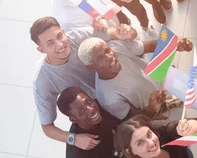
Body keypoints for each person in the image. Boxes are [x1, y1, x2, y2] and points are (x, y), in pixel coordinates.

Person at [31, 16, 136, 148]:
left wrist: (125, 30)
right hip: (98, 105)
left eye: (59, 36)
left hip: (118, 80)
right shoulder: (42, 81)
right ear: (41, 50)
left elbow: (126, 34)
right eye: (50, 43)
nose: (60, 45)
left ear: (63, 32)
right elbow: (47, 128)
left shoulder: (78, 36)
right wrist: (73, 139)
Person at [77, 35, 192, 120]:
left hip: (157, 74)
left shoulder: (115, 46)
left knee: (194, 92)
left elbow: (149, 46)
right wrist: (151, 108)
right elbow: (135, 119)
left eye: (107, 50)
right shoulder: (108, 99)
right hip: (151, 103)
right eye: (100, 58)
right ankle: (162, 106)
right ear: (92, 67)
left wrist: (175, 44)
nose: (110, 56)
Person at [57, 87, 126, 158]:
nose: (91, 109)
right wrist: (116, 152)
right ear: (73, 119)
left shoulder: (101, 104)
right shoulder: (76, 156)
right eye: (81, 110)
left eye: (89, 102)